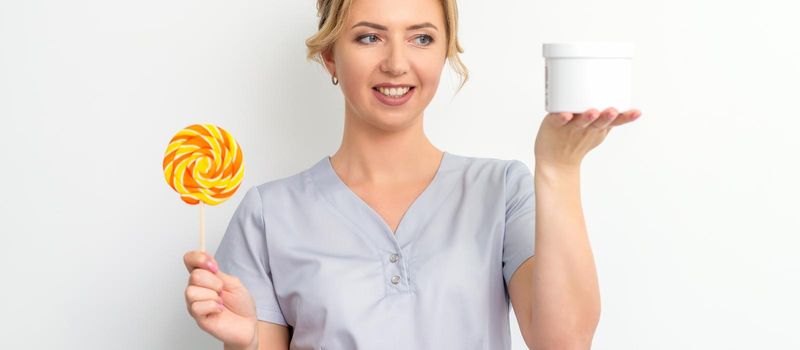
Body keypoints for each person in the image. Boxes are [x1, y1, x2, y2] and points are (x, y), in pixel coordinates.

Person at [182, 0, 642, 348]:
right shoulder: (269, 213)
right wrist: (246, 341)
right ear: (329, 57)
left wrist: (559, 168)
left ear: (444, 52)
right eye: (369, 37)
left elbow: (564, 342)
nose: (397, 63)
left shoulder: (503, 191)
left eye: (422, 38)